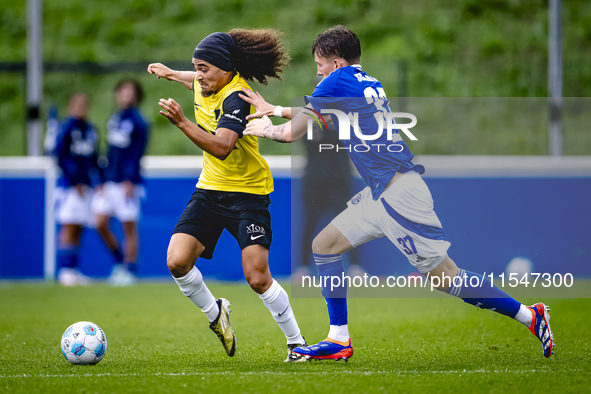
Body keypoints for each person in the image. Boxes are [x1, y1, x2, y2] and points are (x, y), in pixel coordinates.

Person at [241, 25, 555, 361]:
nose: (317, 72)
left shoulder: (336, 81)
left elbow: (293, 134)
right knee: (325, 246)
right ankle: (338, 339)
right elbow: (326, 118)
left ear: (335, 62)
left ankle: (529, 316)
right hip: (383, 193)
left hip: (399, 195)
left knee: (446, 278)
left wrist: (267, 129)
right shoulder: (366, 81)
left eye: (319, 64)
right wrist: (274, 109)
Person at [146, 28, 307, 361]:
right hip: (209, 191)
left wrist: (181, 122)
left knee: (257, 277)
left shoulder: (237, 96)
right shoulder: (206, 81)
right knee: (177, 261)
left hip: (248, 194)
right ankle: (216, 315)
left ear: (225, 68)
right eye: (196, 67)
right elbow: (194, 79)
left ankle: (297, 343)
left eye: (204, 68)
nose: (199, 75)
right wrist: (173, 73)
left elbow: (222, 146)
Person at [92, 79, 149, 286]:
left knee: (128, 227)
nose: (126, 95)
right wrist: (101, 178)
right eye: (123, 91)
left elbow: (137, 153)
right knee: (99, 222)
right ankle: (119, 261)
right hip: (109, 181)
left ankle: (130, 270)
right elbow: (110, 151)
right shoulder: (114, 118)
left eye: (130, 91)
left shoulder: (139, 122)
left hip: (127, 184)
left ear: (136, 95)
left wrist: (130, 180)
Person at [54, 93, 101, 286]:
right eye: (77, 104)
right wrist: (75, 181)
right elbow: (59, 155)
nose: (81, 108)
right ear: (70, 106)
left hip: (86, 187)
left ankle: (73, 269)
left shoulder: (91, 130)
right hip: (70, 187)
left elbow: (95, 158)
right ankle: (64, 269)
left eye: (84, 104)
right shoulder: (66, 128)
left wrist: (97, 182)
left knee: (80, 227)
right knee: (69, 225)